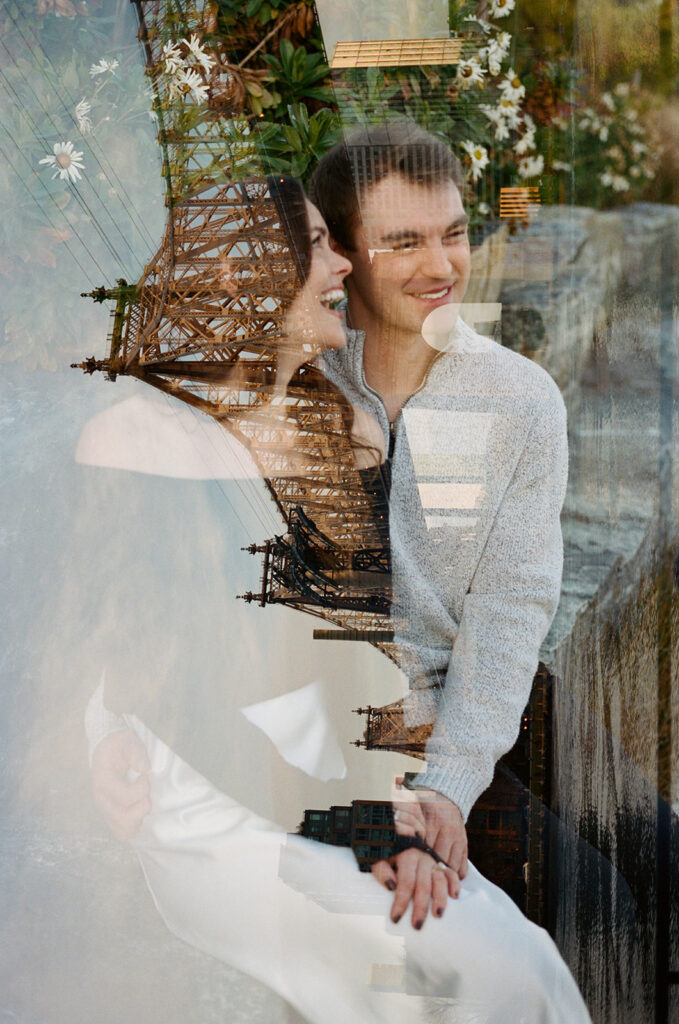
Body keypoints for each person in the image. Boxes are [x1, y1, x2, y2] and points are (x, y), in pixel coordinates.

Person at [86, 175, 591, 1023]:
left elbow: (350, 652)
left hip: (318, 748)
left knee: (523, 937)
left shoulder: (334, 427)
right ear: (248, 274)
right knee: (481, 954)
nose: (345, 264)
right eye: (322, 245)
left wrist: (399, 805)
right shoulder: (135, 431)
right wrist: (369, 826)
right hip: (201, 772)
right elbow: (123, 632)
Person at [307, 120, 568, 918]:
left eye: (452, 234)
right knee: (586, 909)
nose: (440, 266)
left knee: (657, 866)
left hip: (482, 710)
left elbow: (509, 610)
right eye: (404, 243)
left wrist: (447, 786)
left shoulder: (517, 397)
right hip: (357, 729)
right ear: (344, 255)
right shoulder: (300, 388)